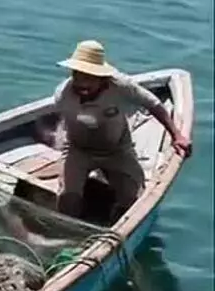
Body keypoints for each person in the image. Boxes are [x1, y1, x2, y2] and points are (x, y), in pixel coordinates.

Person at [38, 40, 192, 218]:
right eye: (77, 75)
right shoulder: (63, 94)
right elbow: (63, 122)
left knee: (133, 199)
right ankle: (66, 227)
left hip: (117, 150)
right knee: (68, 197)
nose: (81, 83)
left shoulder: (121, 86)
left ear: (102, 77)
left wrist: (176, 135)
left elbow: (154, 104)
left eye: (88, 78)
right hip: (78, 149)